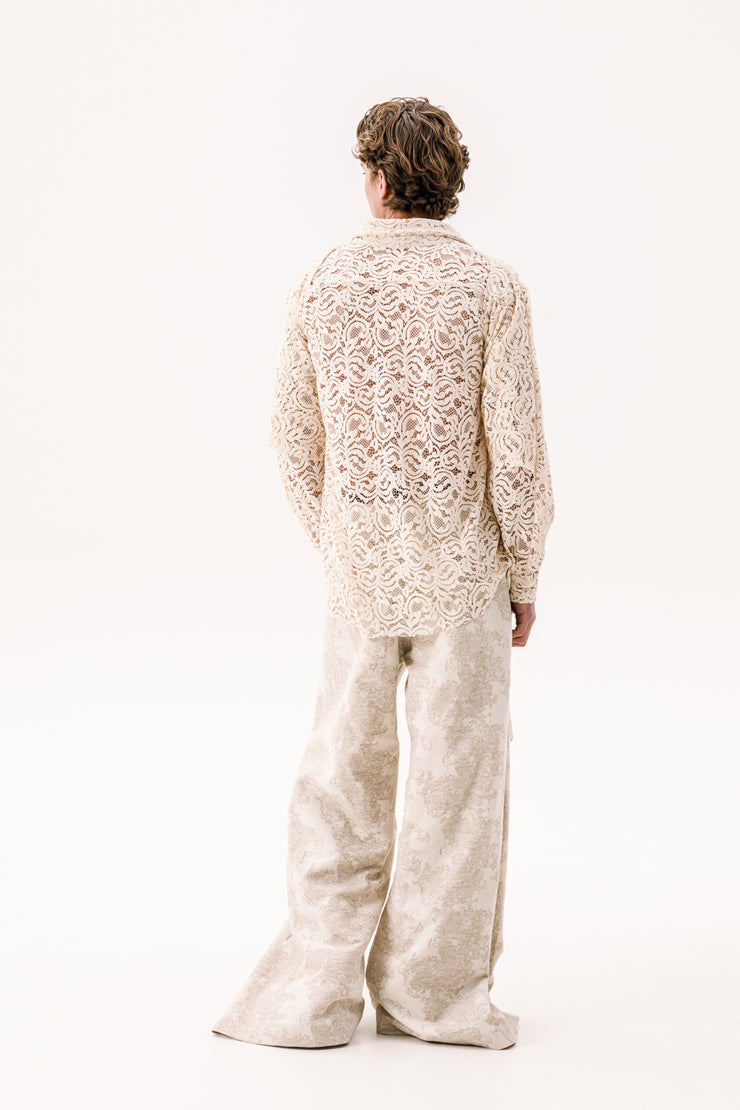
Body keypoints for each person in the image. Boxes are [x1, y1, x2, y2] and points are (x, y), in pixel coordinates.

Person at [211, 96, 555, 1050]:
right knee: (458, 788)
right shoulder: (491, 288)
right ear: (449, 182)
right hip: (466, 572)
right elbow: (518, 456)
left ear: (375, 178)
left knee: (340, 777)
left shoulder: (322, 281)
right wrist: (524, 572)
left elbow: (292, 438)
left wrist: (341, 539)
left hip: (358, 571)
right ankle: (433, 1000)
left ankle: (313, 1000)